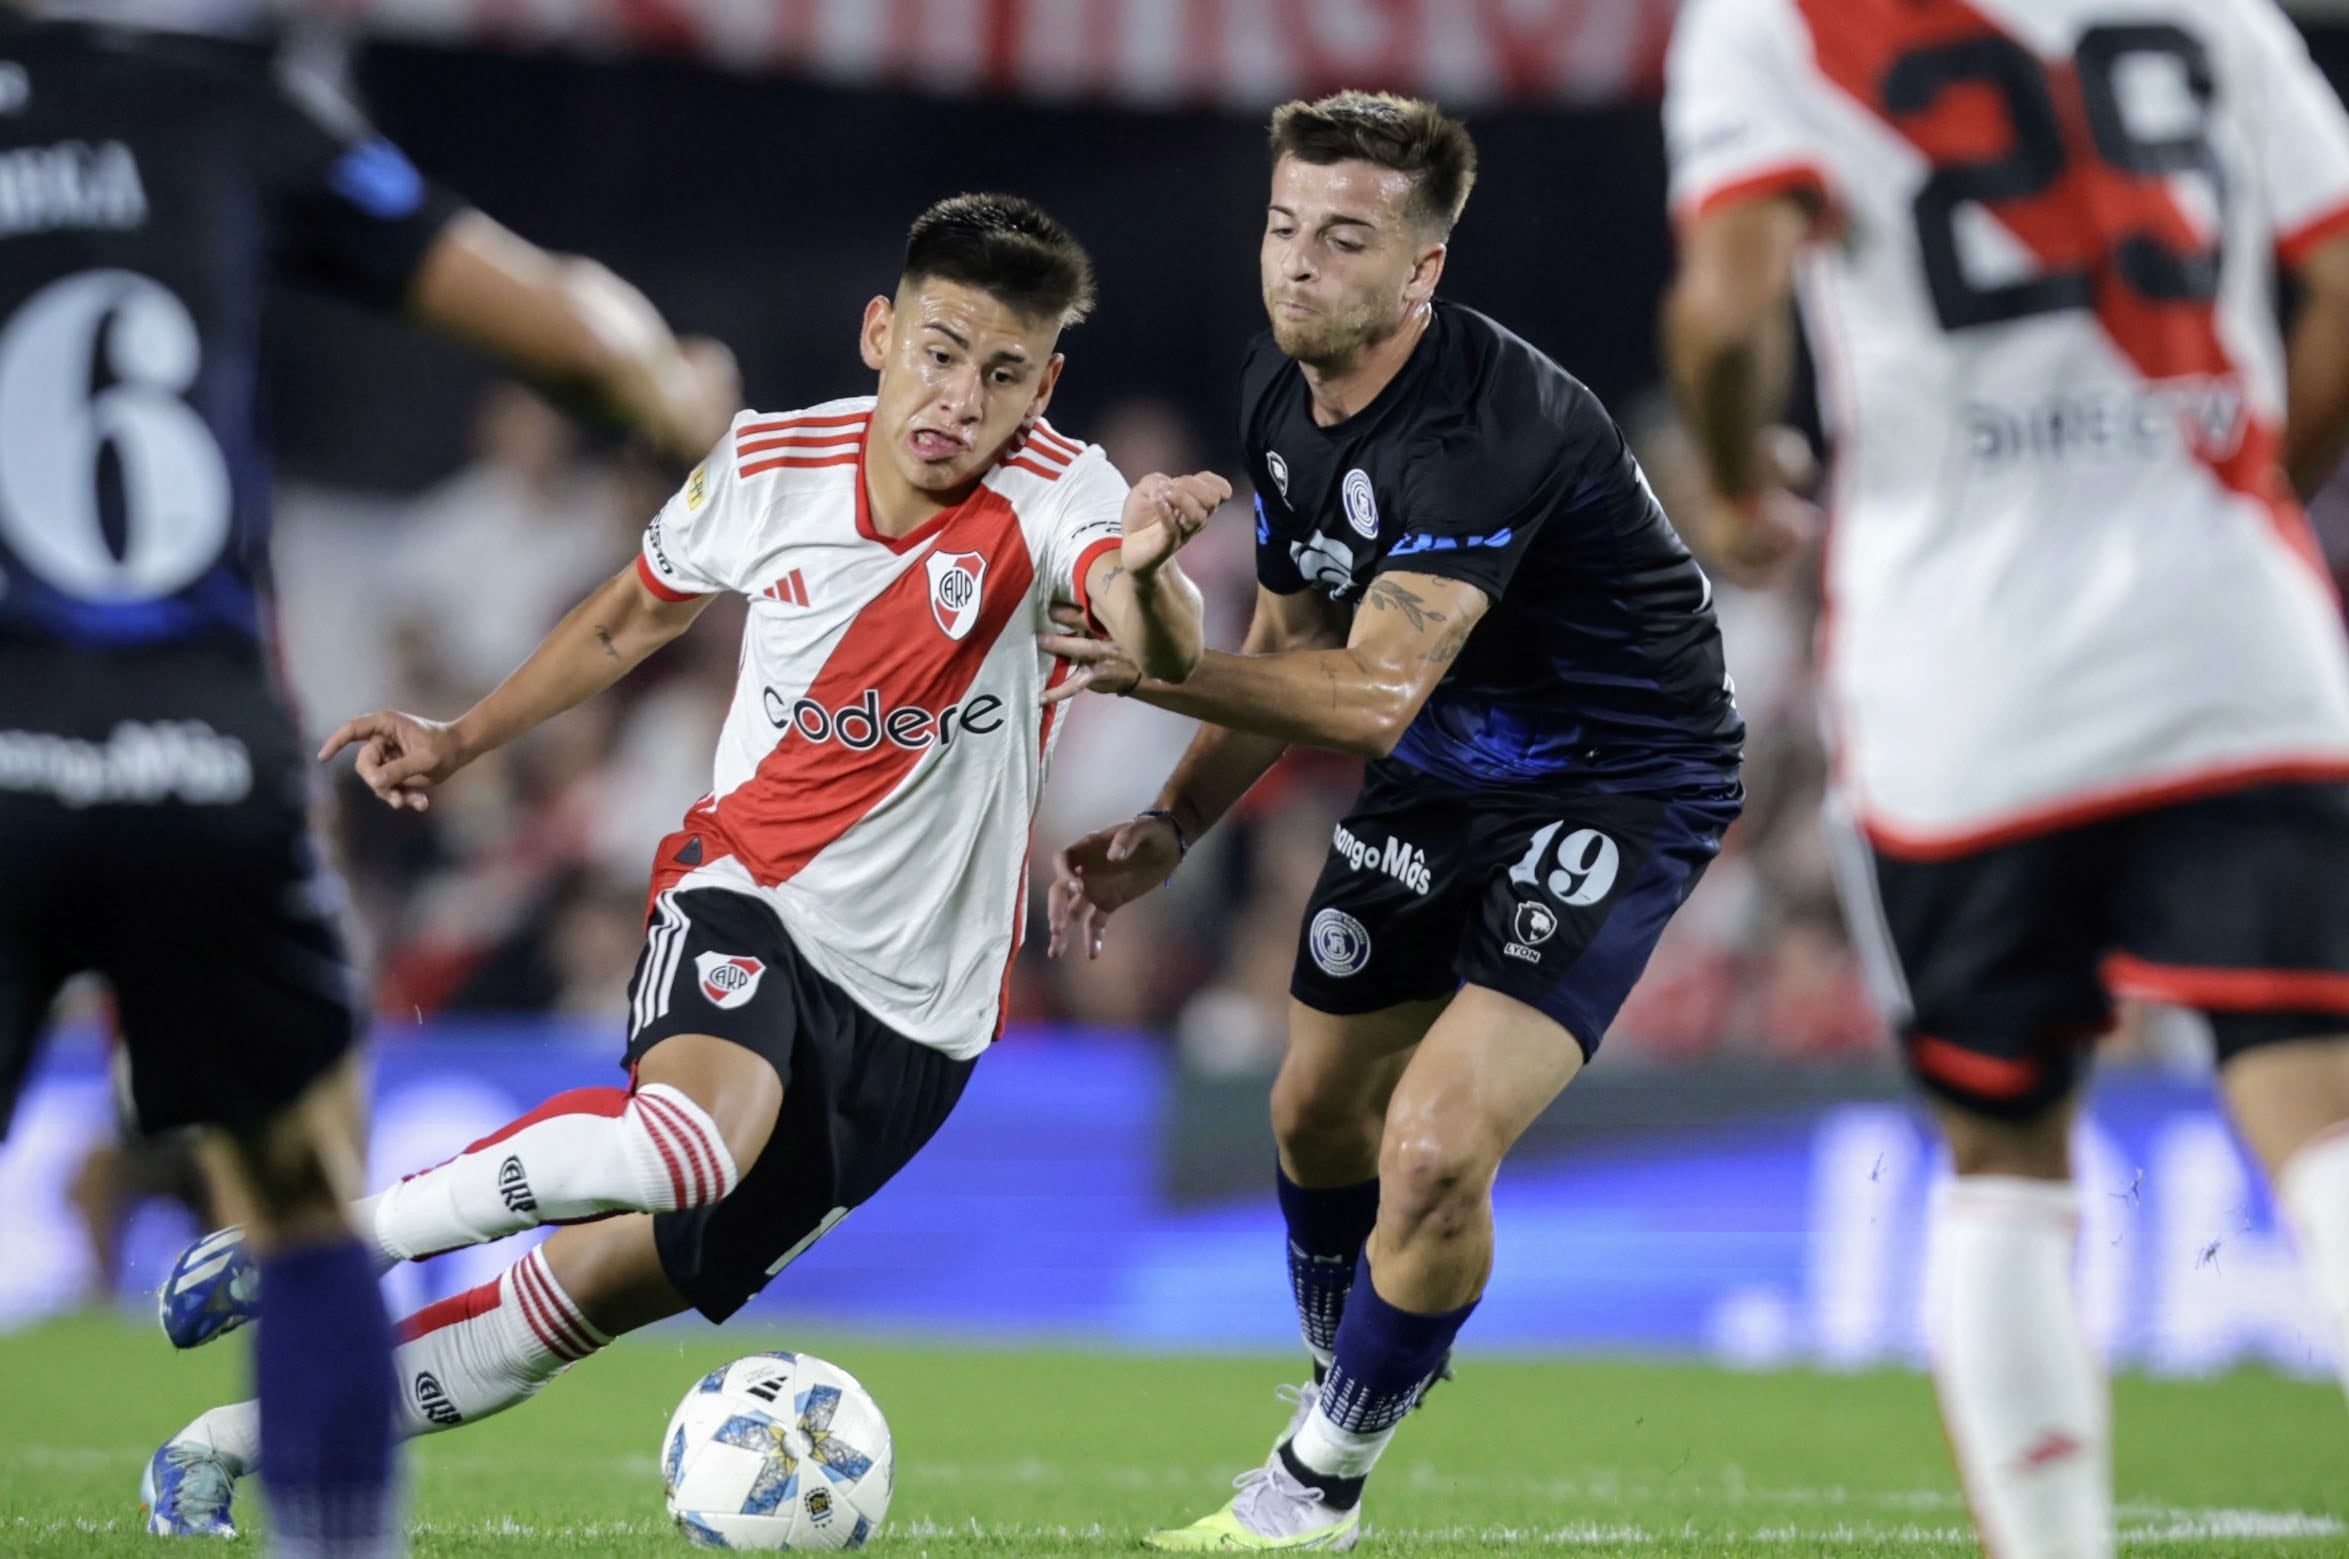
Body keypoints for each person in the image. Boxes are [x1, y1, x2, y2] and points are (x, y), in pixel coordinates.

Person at [147, 192, 1229, 1540]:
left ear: (1043, 386)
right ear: (880, 331)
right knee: (684, 1145)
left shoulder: (1063, 494)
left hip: (925, 1022)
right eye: (941, 351)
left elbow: (1154, 633)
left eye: (1003, 373)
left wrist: (1154, 564)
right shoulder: (771, 463)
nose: (962, 396)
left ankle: (221, 1446)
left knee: (573, 1307)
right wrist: (461, 736)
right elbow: (627, 617)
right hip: (752, 887)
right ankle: (315, 1247)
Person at [0, 6, 734, 1551]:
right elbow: (564, 331)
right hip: (199, 752)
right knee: (304, 1204)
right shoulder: (224, 105)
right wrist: (670, 393)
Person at [1661, 1, 2349, 1553]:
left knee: (2001, 1149)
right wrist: (2249, 497)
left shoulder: (1774, 23)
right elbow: (2342, 280)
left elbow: (1724, 312)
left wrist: (1723, 475)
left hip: (1969, 666)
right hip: (2235, 637)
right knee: (2316, 1107)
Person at [1044, 92, 1745, 1551]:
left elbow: (1359, 699)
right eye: (1283, 227)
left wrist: (1157, 666)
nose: (1297, 264)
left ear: (1420, 270)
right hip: (1442, 764)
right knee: (1310, 1112)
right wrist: (1176, 822)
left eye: (1344, 239)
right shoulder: (1272, 393)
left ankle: (1315, 1485)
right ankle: (1347, 1376)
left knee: (1428, 1152)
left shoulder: (1503, 422)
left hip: (1615, 776)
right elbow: (1298, 644)